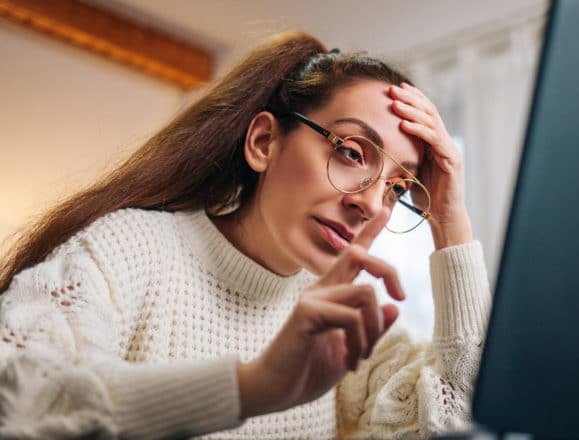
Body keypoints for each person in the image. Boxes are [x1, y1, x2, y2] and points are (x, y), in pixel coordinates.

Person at [0, 32, 491, 439]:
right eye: (353, 152)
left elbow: (463, 417)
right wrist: (252, 386)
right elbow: (17, 401)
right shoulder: (128, 249)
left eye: (399, 187)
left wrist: (450, 222)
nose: (369, 202)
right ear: (263, 142)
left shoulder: (343, 325)